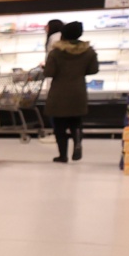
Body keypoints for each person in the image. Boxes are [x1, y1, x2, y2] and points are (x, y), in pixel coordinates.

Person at [40, 20, 99, 162]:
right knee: (76, 121)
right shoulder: (88, 51)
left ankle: (63, 155)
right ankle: (78, 143)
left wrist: (44, 68)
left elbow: (49, 72)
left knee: (59, 125)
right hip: (78, 91)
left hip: (59, 92)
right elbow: (93, 70)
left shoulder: (56, 52)